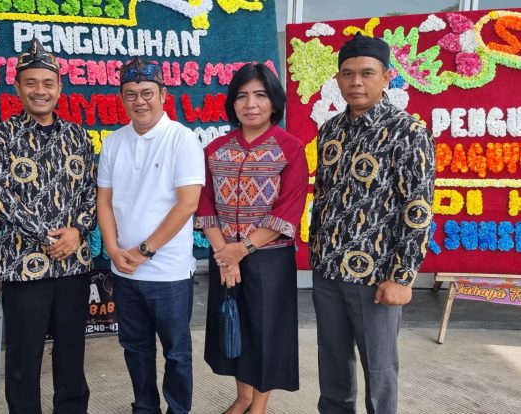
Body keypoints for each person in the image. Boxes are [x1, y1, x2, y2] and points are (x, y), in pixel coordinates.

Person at [309, 33, 436, 414]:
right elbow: (324, 196)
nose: (356, 82)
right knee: (332, 361)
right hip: (328, 269)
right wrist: (317, 253)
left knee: (379, 370)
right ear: (338, 79)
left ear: (387, 77)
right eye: (347, 74)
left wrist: (402, 276)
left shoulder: (408, 132)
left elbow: (417, 209)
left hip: (377, 276)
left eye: (367, 73)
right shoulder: (330, 130)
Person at [0, 38, 97, 414]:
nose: (40, 90)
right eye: (31, 83)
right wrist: (46, 236)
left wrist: (77, 231)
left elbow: (92, 193)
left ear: (59, 87)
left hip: (73, 264)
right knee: (23, 360)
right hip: (23, 265)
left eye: (48, 83)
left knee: (71, 355)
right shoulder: (0, 137)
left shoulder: (78, 136)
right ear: (17, 87)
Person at [195, 62, 307, 414]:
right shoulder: (215, 149)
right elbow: (205, 201)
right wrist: (223, 253)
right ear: (233, 103)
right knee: (234, 327)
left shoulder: (290, 148)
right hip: (223, 255)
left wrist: (240, 250)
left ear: (274, 101)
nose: (251, 104)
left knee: (265, 332)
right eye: (242, 96)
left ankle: (257, 406)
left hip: (268, 258)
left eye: (260, 95)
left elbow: (288, 209)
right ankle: (242, 398)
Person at [97, 56, 205, 414]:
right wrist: (113, 250)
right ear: (122, 98)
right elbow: (104, 201)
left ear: (163, 94)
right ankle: (144, 408)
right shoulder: (114, 142)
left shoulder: (182, 140)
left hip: (169, 273)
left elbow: (187, 204)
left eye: (147, 93)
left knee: (177, 353)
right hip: (125, 271)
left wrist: (145, 250)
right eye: (130, 94)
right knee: (135, 348)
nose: (139, 101)